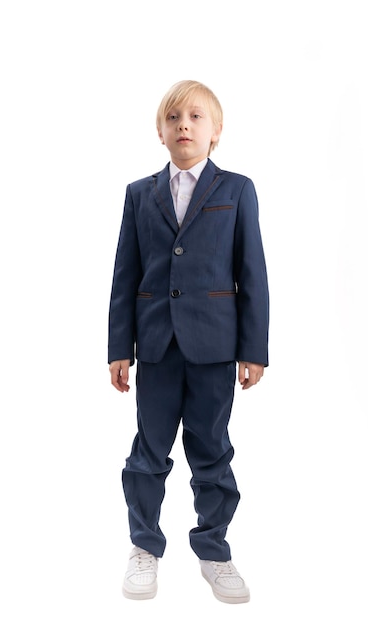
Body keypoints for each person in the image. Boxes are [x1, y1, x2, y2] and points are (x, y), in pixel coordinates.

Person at [108, 79, 269, 604]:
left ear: (216, 131)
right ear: (160, 131)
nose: (184, 125)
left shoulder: (237, 190)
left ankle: (214, 550)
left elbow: (253, 272)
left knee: (212, 452)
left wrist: (253, 348)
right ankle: (144, 548)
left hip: (214, 348)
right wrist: (118, 348)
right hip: (155, 348)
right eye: (174, 118)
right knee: (148, 453)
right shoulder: (138, 194)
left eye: (196, 117)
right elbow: (125, 275)